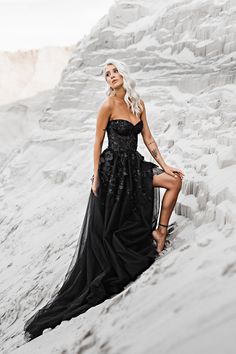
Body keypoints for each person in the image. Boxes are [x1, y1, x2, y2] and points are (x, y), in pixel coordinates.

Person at [24, 58, 184, 342]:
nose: (111, 76)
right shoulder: (107, 105)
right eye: (107, 74)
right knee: (115, 226)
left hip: (134, 166)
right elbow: (97, 142)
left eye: (114, 71)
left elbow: (148, 139)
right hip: (112, 172)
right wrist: (96, 177)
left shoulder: (138, 103)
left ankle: (159, 232)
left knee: (174, 181)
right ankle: (126, 260)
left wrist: (166, 164)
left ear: (124, 73)